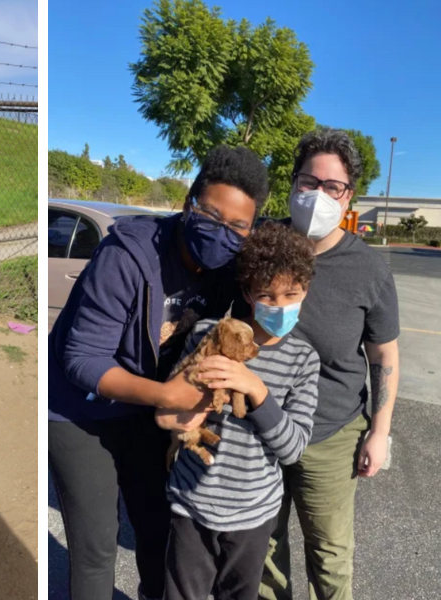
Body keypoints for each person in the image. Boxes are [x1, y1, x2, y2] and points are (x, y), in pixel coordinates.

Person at [48, 145, 270, 600]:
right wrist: (168, 397)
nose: (222, 233)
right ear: (189, 204)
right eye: (211, 215)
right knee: (95, 548)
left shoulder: (228, 267)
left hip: (148, 406)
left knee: (157, 533)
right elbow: (81, 359)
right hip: (81, 410)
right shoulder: (127, 254)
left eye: (237, 227)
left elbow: (270, 293)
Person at [260, 128, 401, 600]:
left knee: (329, 552)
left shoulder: (368, 268)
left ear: (348, 197)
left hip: (330, 435)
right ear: (293, 183)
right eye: (308, 181)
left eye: (332, 186)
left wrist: (379, 432)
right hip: (259, 424)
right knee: (262, 546)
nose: (317, 194)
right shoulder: (264, 243)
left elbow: (383, 355)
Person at [157, 222, 320, 600]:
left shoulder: (304, 360)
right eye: (267, 295)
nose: (279, 306)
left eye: (290, 294)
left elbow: (294, 448)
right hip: (190, 503)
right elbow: (166, 410)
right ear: (247, 292)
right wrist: (192, 398)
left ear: (305, 290)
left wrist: (257, 390)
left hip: (252, 513)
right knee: (182, 593)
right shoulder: (209, 333)